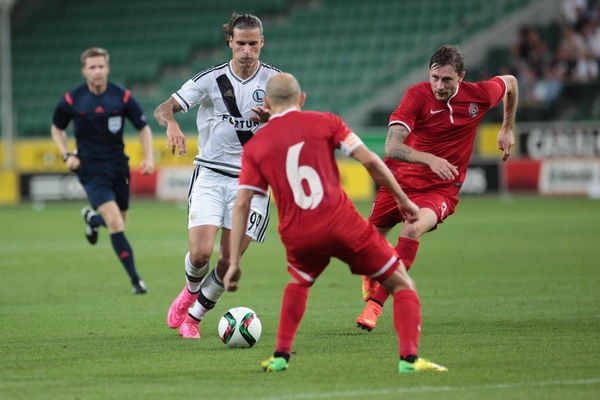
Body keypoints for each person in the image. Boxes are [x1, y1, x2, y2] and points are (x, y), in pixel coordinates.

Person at [224, 72, 448, 373]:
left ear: (266, 102)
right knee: (402, 284)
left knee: (300, 282)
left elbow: (242, 205)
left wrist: (235, 259)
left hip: (298, 232)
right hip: (342, 223)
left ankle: (280, 356)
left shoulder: (255, 146)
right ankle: (409, 359)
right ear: (301, 100)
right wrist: (402, 199)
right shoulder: (326, 122)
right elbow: (369, 160)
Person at [356, 44, 518, 331]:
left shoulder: (479, 95)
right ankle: (373, 270)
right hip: (399, 184)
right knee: (369, 246)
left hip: (441, 190)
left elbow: (511, 83)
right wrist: (429, 159)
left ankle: (375, 306)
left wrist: (507, 127)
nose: (439, 86)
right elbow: (392, 147)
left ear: (461, 77)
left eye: (447, 79)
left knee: (413, 228)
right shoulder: (416, 96)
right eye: (434, 78)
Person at [153, 13, 281, 338]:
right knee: (200, 254)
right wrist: (171, 124)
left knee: (228, 260)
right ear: (230, 43)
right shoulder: (210, 79)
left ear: (262, 43)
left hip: (254, 184)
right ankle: (189, 289)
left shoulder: (278, 82)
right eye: (241, 44)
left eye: (253, 44)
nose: (247, 50)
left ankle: (194, 318)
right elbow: (164, 107)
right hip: (211, 174)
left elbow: (297, 124)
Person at [50, 47, 154, 294]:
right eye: (91, 67)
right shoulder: (72, 100)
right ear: (84, 71)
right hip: (90, 169)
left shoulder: (122, 97)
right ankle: (136, 281)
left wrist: (148, 158)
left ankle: (93, 220)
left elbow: (144, 128)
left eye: (100, 66)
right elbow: (56, 128)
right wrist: (66, 155)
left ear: (107, 68)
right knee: (116, 221)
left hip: (118, 166)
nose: (97, 72)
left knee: (120, 222)